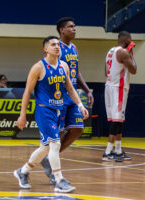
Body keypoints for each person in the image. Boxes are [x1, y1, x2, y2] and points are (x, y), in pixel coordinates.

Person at [14, 36, 89, 193]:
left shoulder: (64, 66)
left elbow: (70, 89)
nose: (57, 47)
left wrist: (80, 105)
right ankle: (60, 181)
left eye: (58, 44)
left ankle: (23, 172)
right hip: (43, 110)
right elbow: (27, 92)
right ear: (45, 49)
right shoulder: (38, 67)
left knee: (45, 148)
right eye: (53, 44)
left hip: (57, 110)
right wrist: (22, 115)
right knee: (55, 144)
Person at [40, 17, 94, 185]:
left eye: (75, 26)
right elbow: (46, 68)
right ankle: (54, 173)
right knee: (58, 134)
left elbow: (76, 72)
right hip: (58, 96)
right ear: (62, 30)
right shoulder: (56, 48)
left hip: (72, 94)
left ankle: (49, 159)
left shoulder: (74, 48)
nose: (74, 29)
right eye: (71, 27)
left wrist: (86, 90)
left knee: (78, 129)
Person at [103, 31, 137, 162]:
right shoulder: (123, 52)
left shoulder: (110, 51)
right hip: (119, 88)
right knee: (117, 121)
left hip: (109, 86)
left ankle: (117, 150)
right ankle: (107, 152)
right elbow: (134, 70)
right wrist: (131, 53)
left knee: (118, 120)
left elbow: (106, 72)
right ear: (126, 40)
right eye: (131, 40)